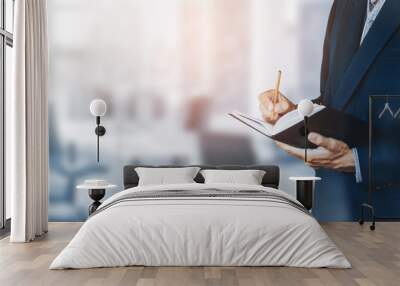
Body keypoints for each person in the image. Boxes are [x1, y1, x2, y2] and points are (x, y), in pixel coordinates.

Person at [259, 0, 400, 220]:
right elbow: (334, 98)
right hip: (332, 207)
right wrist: (295, 114)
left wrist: (359, 161)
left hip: (390, 214)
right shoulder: (345, 4)